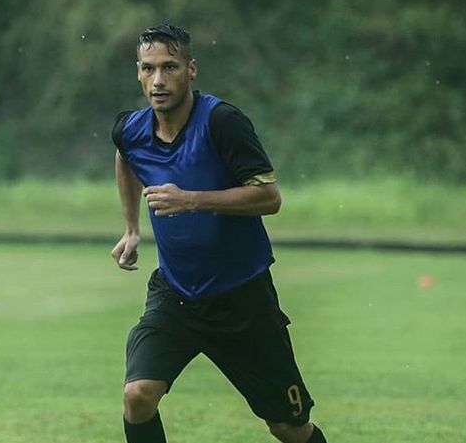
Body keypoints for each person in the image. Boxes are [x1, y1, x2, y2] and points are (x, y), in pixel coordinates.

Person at [110, 24, 327, 443]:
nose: (158, 80)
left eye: (169, 67)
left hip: (242, 298)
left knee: (288, 427)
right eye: (148, 68)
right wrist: (131, 227)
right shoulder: (131, 129)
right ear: (138, 73)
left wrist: (191, 199)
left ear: (191, 69)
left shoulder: (223, 122)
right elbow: (124, 156)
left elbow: (268, 197)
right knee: (138, 395)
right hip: (176, 294)